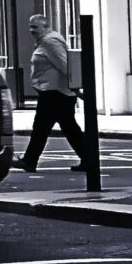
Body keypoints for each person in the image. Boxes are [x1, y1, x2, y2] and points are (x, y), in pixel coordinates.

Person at [16, 14, 93, 174]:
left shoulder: (51, 42)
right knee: (65, 128)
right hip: (55, 93)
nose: (31, 30)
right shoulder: (44, 42)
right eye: (30, 27)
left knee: (43, 128)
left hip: (56, 93)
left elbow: (66, 66)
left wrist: (76, 88)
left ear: (45, 27)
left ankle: (30, 161)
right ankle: (88, 159)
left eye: (35, 27)